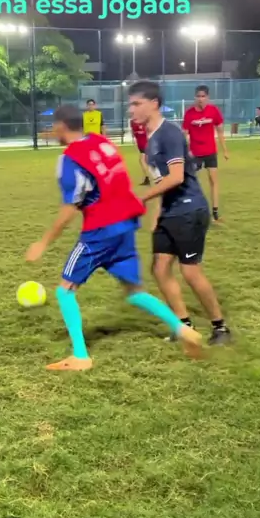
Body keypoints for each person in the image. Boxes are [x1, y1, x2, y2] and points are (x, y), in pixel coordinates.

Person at [25, 104, 202, 371]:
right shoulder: (103, 143)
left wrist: (43, 242)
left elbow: (70, 207)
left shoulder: (70, 158)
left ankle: (80, 356)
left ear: (61, 126)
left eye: (54, 126)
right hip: (126, 225)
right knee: (134, 292)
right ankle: (183, 330)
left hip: (100, 231)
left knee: (65, 290)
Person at [128, 80, 231, 345]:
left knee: (190, 272)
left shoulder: (169, 133)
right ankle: (183, 325)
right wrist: (157, 213)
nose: (131, 109)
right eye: (130, 104)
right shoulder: (151, 138)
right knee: (160, 268)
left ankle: (221, 328)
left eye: (137, 103)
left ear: (154, 104)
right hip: (170, 212)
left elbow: (175, 177)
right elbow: (161, 180)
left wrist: (141, 198)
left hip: (189, 209)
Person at [182, 85, 229, 223]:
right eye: (198, 96)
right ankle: (190, 211)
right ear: (195, 97)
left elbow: (220, 132)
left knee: (214, 181)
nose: (200, 99)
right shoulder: (189, 114)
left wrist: (225, 150)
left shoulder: (213, 111)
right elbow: (184, 135)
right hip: (195, 154)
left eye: (203, 96)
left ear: (207, 97)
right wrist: (187, 152)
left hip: (210, 152)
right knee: (191, 183)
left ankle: (215, 213)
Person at [130, 116, 150, 185]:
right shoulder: (132, 122)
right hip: (141, 144)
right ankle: (149, 177)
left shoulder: (144, 121)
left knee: (142, 160)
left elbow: (149, 131)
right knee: (146, 161)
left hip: (145, 144)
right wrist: (133, 139)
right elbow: (133, 132)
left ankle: (147, 178)